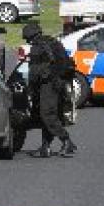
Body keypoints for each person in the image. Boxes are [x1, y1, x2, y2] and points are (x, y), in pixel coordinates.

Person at [22, 22, 77, 158]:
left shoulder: (37, 48)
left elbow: (34, 73)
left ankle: (67, 141)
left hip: (47, 85)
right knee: (50, 114)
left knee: (46, 114)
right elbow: (65, 62)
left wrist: (30, 88)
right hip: (60, 84)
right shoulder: (54, 42)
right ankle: (45, 146)